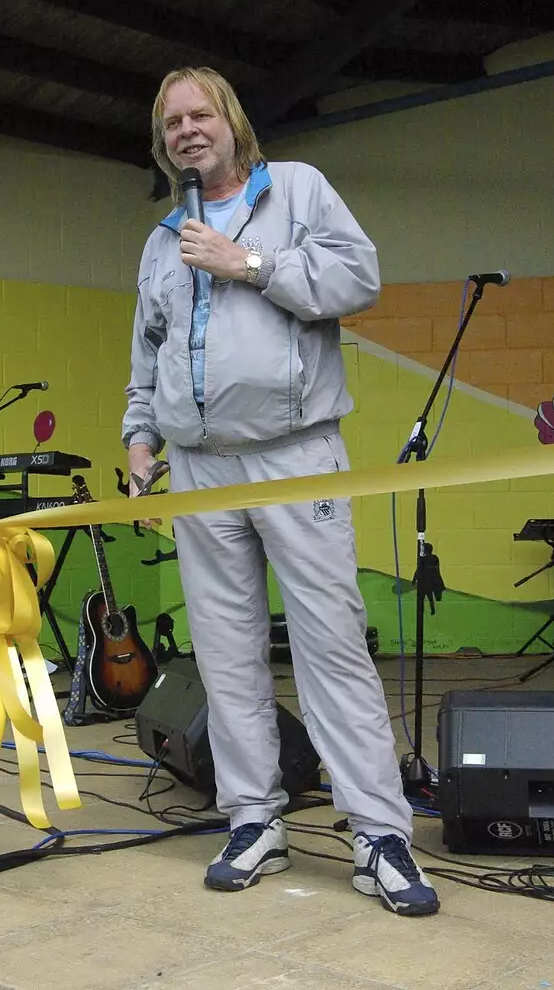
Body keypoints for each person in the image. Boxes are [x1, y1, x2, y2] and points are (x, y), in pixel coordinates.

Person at [120, 67, 438, 917]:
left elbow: (358, 279)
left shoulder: (296, 191)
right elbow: (147, 354)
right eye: (172, 121)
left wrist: (248, 262)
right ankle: (253, 818)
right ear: (164, 140)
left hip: (295, 455)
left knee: (330, 644)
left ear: (232, 123)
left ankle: (378, 834)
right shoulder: (160, 240)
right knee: (224, 655)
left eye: (201, 114)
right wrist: (139, 435)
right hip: (197, 471)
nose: (187, 129)